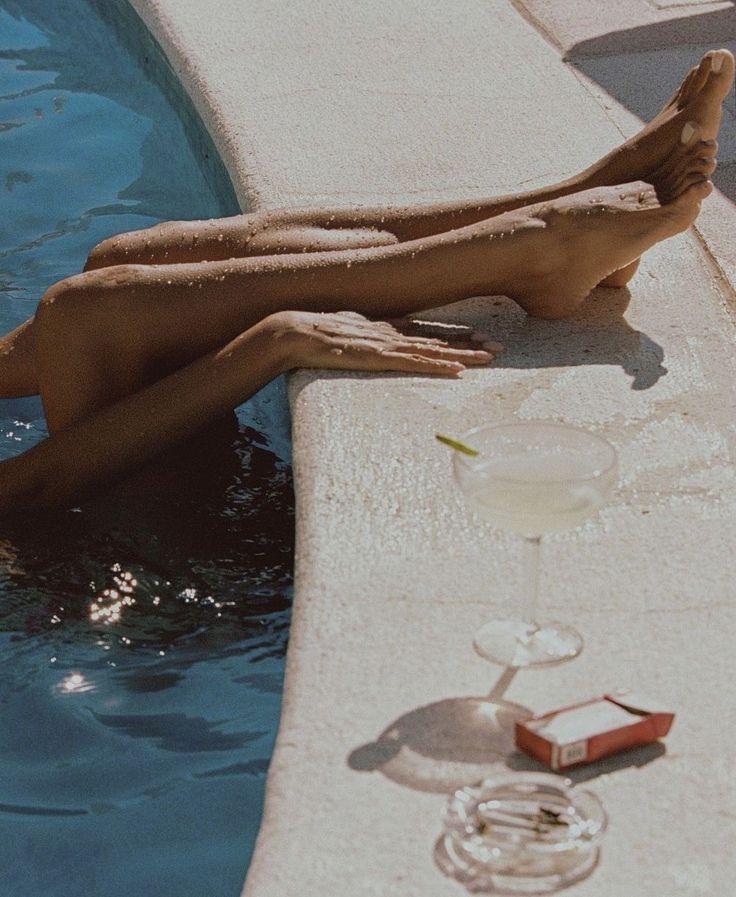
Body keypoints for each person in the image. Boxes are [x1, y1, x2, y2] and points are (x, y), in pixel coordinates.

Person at [0, 49, 732, 514]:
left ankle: (568, 205)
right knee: (83, 312)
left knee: (122, 259)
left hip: (137, 501)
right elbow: (27, 492)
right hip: (160, 597)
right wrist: (272, 345)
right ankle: (532, 254)